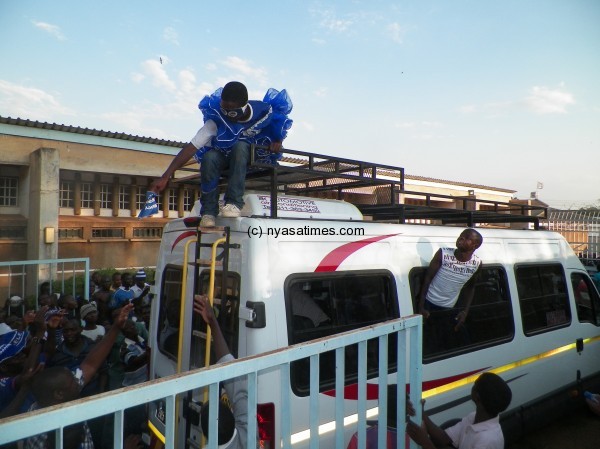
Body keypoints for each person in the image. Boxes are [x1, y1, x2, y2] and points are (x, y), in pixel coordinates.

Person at [150, 81, 293, 227]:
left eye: (231, 110)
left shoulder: (262, 112)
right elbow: (192, 147)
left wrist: (277, 140)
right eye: (224, 108)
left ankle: (234, 203)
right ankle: (209, 212)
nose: (226, 114)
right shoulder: (217, 118)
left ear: (243, 107)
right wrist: (166, 175)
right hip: (226, 156)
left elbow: (277, 127)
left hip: (253, 155)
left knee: (240, 146)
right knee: (209, 156)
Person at [25, 303, 134, 449]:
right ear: (59, 394)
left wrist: (116, 327)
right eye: (73, 382)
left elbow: (90, 365)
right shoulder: (49, 434)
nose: (78, 380)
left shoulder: (53, 398)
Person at [193, 294, 248, 448]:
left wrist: (212, 322)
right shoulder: (248, 434)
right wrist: (212, 322)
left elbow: (228, 365)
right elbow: (229, 366)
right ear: (234, 418)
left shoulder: (248, 430)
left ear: (205, 436)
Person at [406, 372, 512, 449]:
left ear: (477, 397)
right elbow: (445, 438)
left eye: (475, 384)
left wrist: (425, 443)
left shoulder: (486, 441)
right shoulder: (474, 418)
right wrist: (421, 413)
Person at [418, 228, 483, 329]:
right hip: (429, 303)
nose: (461, 238)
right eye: (461, 236)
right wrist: (421, 307)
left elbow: (470, 288)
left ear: (475, 246)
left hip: (449, 308)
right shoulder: (443, 254)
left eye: (467, 238)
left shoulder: (476, 264)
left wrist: (465, 312)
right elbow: (427, 278)